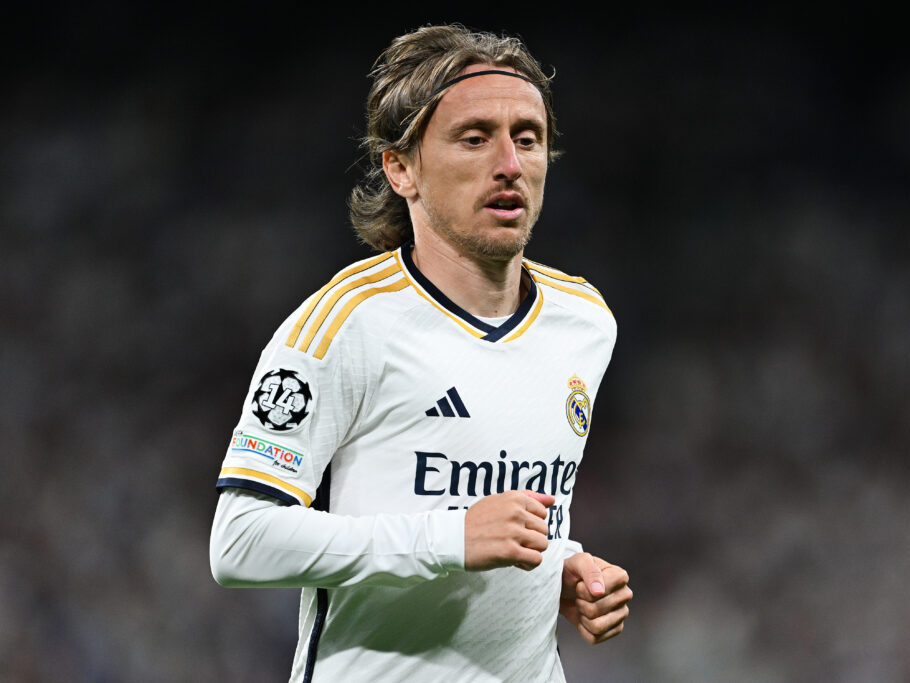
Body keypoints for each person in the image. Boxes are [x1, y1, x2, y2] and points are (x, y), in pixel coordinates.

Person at [209, 23, 631, 682]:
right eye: (474, 138)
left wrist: (562, 563)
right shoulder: (344, 324)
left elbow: (514, 503)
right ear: (401, 168)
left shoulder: (586, 321)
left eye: (528, 137)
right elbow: (239, 541)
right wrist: (448, 539)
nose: (510, 164)